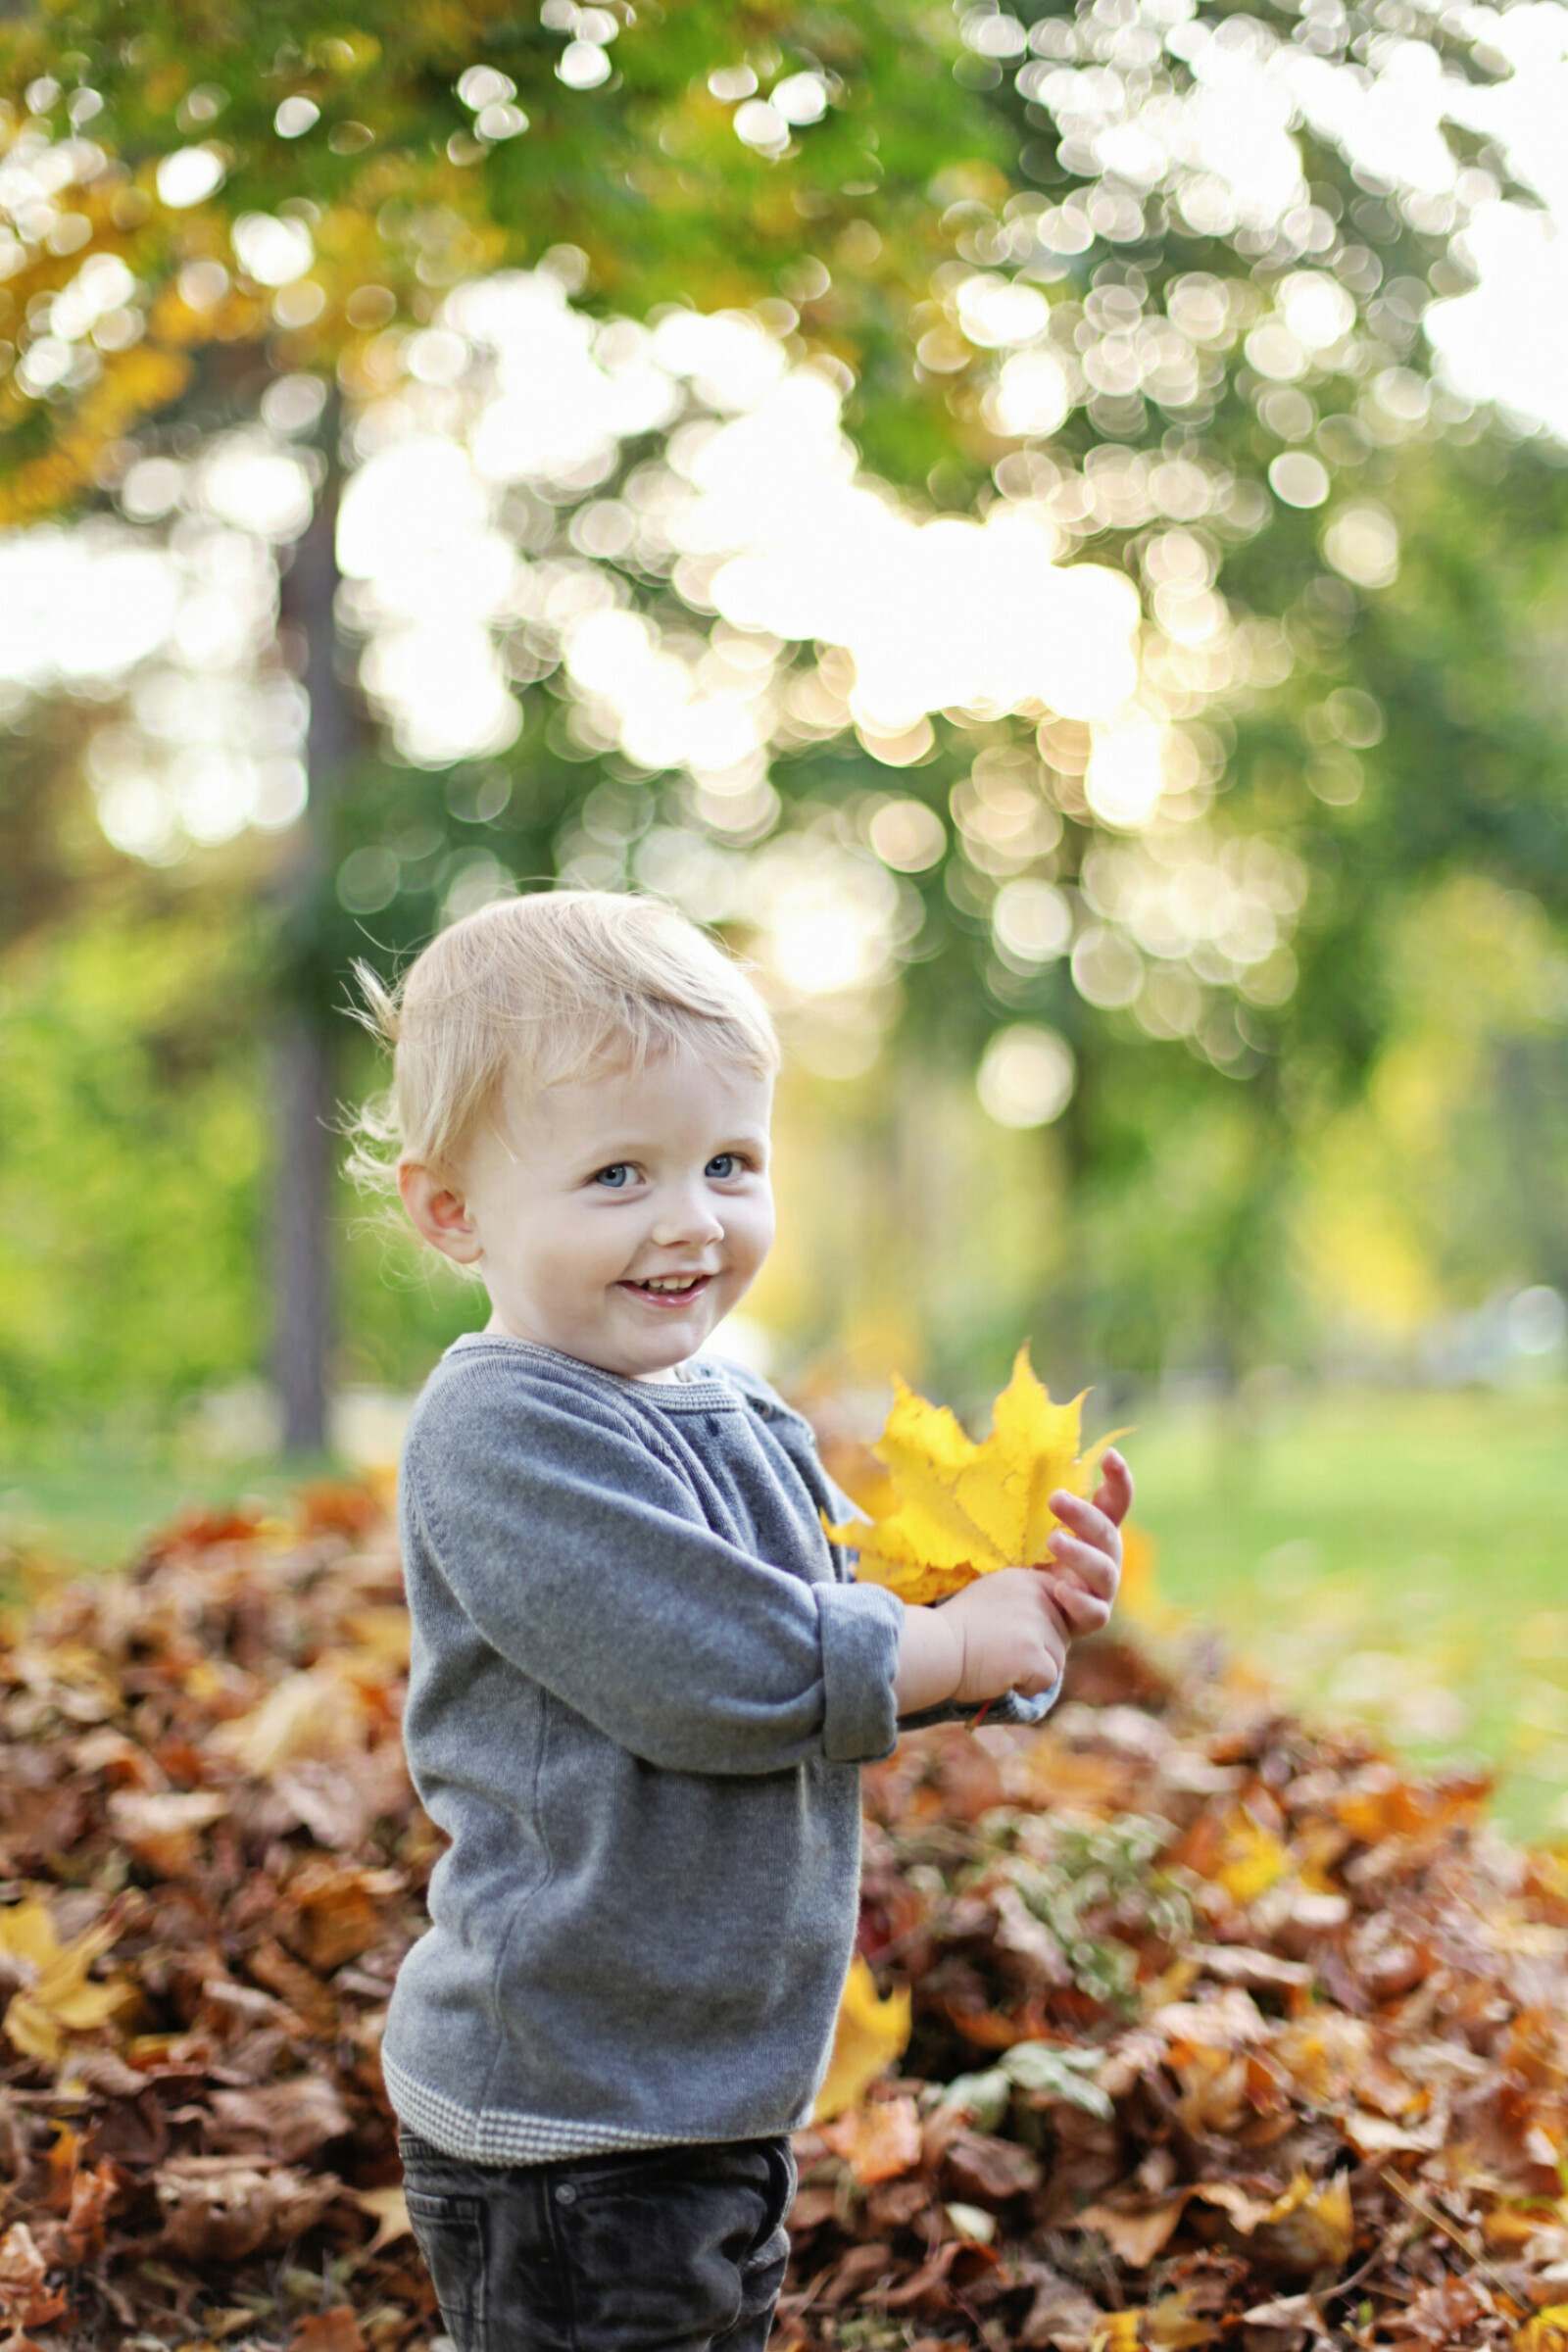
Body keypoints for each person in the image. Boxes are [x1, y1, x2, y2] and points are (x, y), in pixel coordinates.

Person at [351, 889, 1131, 2352]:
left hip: (701, 2079)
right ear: (453, 1208)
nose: (689, 1220)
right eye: (616, 1177)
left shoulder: (733, 1405)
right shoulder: (502, 1430)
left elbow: (835, 1630)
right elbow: (724, 1670)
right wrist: (946, 1649)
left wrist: (1005, 1620)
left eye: (727, 1161)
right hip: (571, 2101)